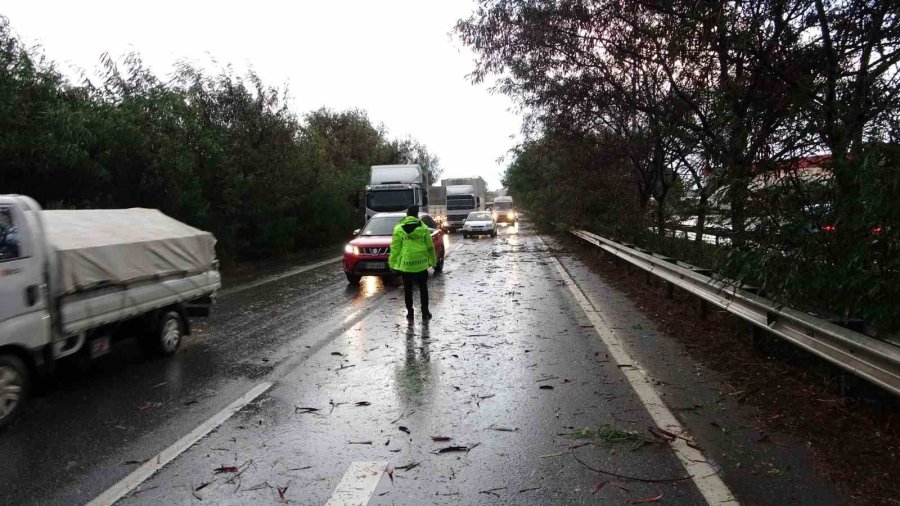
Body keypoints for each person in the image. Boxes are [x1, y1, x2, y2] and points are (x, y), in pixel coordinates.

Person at [388, 205, 436, 320]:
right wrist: (433, 261)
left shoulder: (399, 229)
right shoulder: (423, 228)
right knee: (423, 289)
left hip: (407, 265)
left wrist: (392, 263)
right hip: (421, 265)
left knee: (408, 290)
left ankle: (410, 313)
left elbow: (395, 249)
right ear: (416, 215)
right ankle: (425, 313)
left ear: (407, 215)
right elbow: (430, 247)